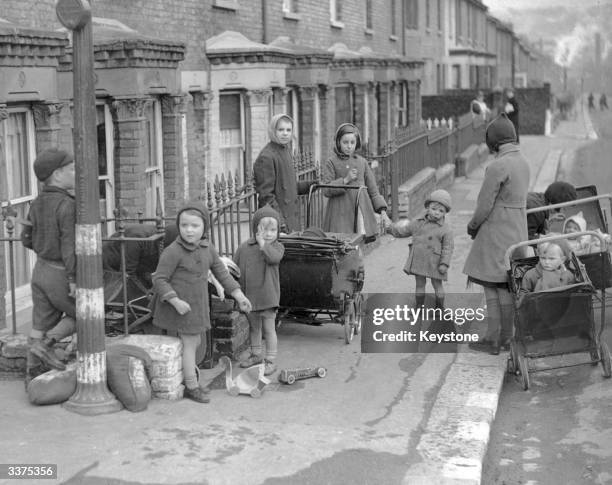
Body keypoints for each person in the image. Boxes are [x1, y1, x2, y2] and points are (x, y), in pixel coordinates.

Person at [152, 201, 252, 403]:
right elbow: (159, 279)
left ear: (204, 227)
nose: (189, 230)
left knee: (195, 341)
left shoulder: (207, 248)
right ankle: (191, 386)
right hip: (180, 307)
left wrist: (239, 296)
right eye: (184, 225)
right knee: (190, 343)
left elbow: (222, 274)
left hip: (197, 305)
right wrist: (175, 301)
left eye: (194, 226)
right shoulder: (173, 251)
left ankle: (184, 373)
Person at [464, 113, 530, 355]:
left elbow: (484, 205)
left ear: (494, 141)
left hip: (496, 232)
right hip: (517, 230)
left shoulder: (498, 165)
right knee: (505, 285)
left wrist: (472, 226)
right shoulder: (523, 161)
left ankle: (493, 339)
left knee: (492, 287)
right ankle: (505, 338)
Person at [21, 148, 77, 381]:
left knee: (40, 321)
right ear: (57, 174)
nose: (76, 173)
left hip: (40, 270)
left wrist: (44, 249)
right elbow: (69, 246)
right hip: (60, 273)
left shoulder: (36, 203)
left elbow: (26, 238)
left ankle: (32, 372)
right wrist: (73, 279)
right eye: (72, 169)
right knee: (87, 315)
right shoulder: (67, 204)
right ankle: (46, 344)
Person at [234, 205, 284, 376]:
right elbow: (236, 267)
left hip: (268, 296)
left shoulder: (277, 247)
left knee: (269, 329)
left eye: (273, 230)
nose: (269, 234)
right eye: (264, 229)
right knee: (254, 328)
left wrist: (264, 245)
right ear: (255, 228)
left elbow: (274, 259)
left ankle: (270, 360)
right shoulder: (244, 248)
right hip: (250, 297)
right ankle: (256, 355)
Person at [384, 190, 454, 310]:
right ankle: (419, 307)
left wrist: (444, 263)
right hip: (419, 259)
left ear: (445, 213)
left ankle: (439, 308)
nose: (437, 213)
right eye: (434, 209)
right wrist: (390, 228)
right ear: (427, 207)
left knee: (437, 285)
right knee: (420, 284)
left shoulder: (446, 229)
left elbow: (448, 248)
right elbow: (403, 231)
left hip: (435, 262)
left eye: (441, 211)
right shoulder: (417, 223)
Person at [322, 123, 389, 241]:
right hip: (339, 216)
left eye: (352, 143)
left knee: (359, 246)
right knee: (341, 245)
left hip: (360, 214)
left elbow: (373, 191)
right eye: (345, 142)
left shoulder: (362, 162)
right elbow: (326, 189)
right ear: (338, 142)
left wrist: (382, 211)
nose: (349, 146)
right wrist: (345, 180)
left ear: (356, 143)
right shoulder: (331, 162)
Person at [253, 114, 316, 233]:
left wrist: (312, 185)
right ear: (273, 131)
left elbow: (287, 186)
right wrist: (280, 224)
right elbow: (266, 197)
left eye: (288, 130)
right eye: (280, 130)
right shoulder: (266, 157)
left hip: (291, 220)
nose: (285, 133)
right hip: (277, 225)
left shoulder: (284, 150)